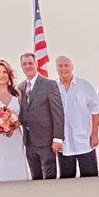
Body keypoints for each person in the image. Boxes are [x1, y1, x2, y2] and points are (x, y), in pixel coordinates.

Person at [54, 54, 99, 179]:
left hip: (85, 143)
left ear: (72, 67)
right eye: (60, 66)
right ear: (56, 68)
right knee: (67, 183)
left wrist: (95, 134)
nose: (63, 68)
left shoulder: (84, 85)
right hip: (64, 145)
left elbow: (96, 110)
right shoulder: (53, 87)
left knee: (91, 180)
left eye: (66, 65)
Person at [17, 51, 62, 180]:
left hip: (46, 142)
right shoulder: (20, 87)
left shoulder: (49, 84)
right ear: (21, 66)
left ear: (36, 64)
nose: (28, 66)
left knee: (49, 179)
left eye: (30, 63)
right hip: (29, 142)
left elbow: (58, 113)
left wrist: (58, 138)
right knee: (35, 179)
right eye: (24, 64)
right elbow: (23, 113)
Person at [0, 60, 26, 183]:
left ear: (9, 74)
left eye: (4, 72)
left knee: (17, 169)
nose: (1, 75)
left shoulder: (17, 93)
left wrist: (16, 122)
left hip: (15, 138)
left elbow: (24, 115)